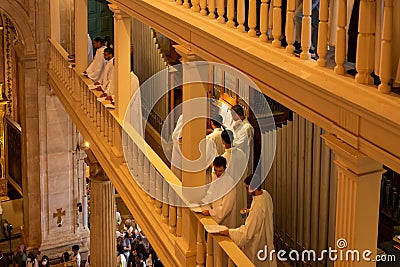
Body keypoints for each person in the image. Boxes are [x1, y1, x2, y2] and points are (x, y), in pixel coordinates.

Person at [220, 175, 277, 267]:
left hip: (257, 243)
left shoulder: (258, 206)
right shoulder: (265, 195)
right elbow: (263, 213)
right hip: (266, 237)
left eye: (247, 188)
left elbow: (247, 233)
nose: (247, 191)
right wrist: (250, 211)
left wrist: (229, 232)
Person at [201, 156, 237, 228]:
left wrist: (211, 212)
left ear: (225, 168)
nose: (217, 173)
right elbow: (211, 193)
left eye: (220, 171)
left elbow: (226, 207)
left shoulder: (229, 184)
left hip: (225, 218)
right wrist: (203, 202)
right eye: (215, 170)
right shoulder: (215, 176)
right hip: (214, 212)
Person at [230, 105, 254, 174]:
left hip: (243, 156)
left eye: (232, 115)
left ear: (237, 114)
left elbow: (240, 144)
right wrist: (234, 127)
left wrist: (230, 141)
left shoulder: (247, 127)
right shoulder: (237, 123)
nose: (232, 117)